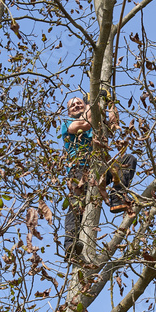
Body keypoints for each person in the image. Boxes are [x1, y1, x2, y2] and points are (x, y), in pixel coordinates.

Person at [61, 94, 137, 258]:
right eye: (72, 105)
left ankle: (117, 197)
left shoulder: (97, 121)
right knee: (76, 204)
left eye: (79, 103)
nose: (76, 106)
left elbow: (113, 122)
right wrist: (93, 105)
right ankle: (70, 244)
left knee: (128, 160)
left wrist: (110, 103)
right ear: (68, 112)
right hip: (79, 169)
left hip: (100, 168)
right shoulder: (68, 123)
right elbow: (84, 125)